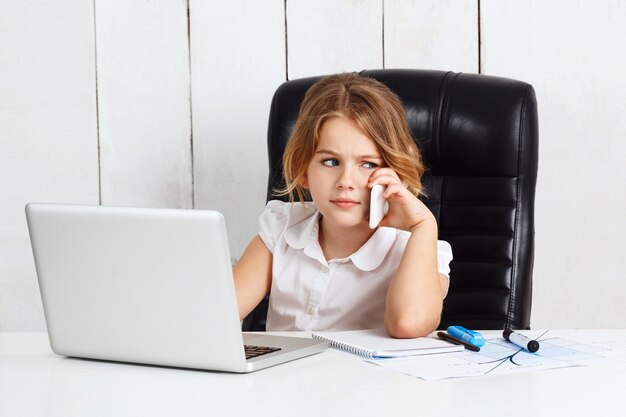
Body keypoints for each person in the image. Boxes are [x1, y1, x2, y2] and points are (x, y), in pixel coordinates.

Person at [233, 73, 452, 339]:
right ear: (303, 171)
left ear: (396, 174)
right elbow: (216, 313)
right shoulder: (281, 228)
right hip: (284, 379)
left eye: (368, 164)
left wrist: (423, 226)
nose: (346, 182)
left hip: (368, 380)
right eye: (330, 162)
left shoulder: (420, 249)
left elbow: (408, 324)